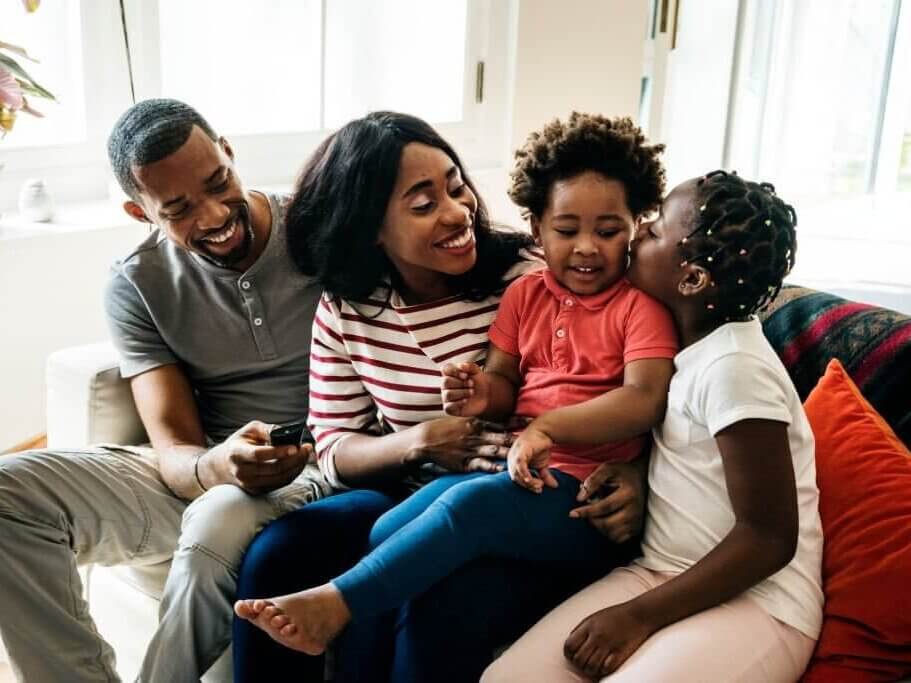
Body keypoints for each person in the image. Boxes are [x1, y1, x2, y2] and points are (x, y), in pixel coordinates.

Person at [234, 113, 677, 669]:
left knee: (447, 560)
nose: (457, 211)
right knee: (310, 546)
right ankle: (340, 625)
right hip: (435, 483)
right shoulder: (350, 306)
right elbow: (336, 446)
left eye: (456, 185)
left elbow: (648, 397)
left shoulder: (533, 271)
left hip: (537, 485)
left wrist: (636, 473)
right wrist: (426, 435)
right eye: (423, 205)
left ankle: (337, 605)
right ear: (371, 225)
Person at [0, 98, 333, 683]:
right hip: (204, 469)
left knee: (221, 515)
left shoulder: (317, 231)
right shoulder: (137, 282)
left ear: (229, 152)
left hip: (323, 464)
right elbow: (175, 453)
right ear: (139, 210)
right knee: (6, 496)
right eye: (178, 208)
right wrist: (216, 464)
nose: (212, 216)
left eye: (218, 182)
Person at [483, 171, 825, 682]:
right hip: (660, 572)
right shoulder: (682, 349)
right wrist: (636, 469)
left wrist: (637, 616)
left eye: (657, 227)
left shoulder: (735, 367)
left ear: (690, 280)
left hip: (762, 603)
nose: (640, 230)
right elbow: (694, 457)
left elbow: (769, 538)